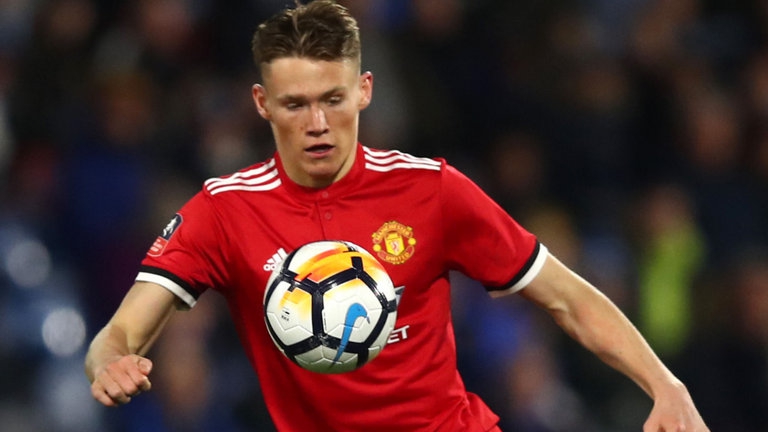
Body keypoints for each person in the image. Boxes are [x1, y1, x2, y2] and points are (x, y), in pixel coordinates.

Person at [85, 1, 710, 431]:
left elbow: (567, 297)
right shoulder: (225, 210)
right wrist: (110, 363)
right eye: (295, 104)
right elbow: (119, 334)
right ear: (261, 103)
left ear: (365, 90)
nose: (318, 124)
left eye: (333, 99)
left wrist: (665, 384)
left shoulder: (432, 190)